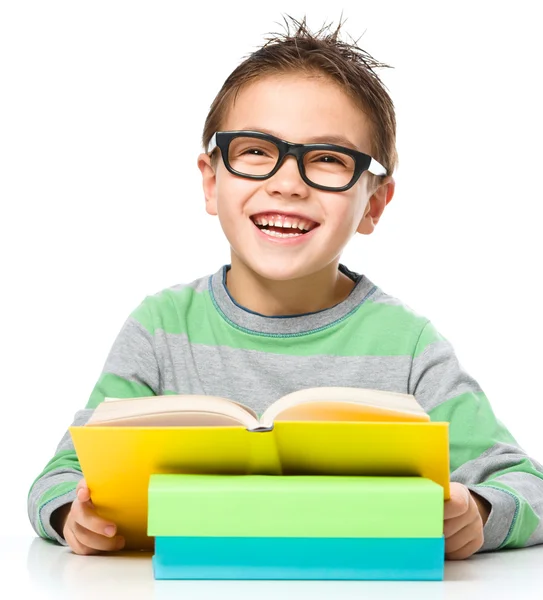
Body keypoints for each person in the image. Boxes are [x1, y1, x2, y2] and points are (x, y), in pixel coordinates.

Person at [28, 15, 543, 561]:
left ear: (373, 203)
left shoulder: (409, 346)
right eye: (254, 150)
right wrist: (71, 515)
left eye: (327, 159)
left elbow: (525, 485)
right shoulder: (159, 330)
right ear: (211, 180)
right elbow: (59, 478)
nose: (287, 183)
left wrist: (479, 515)